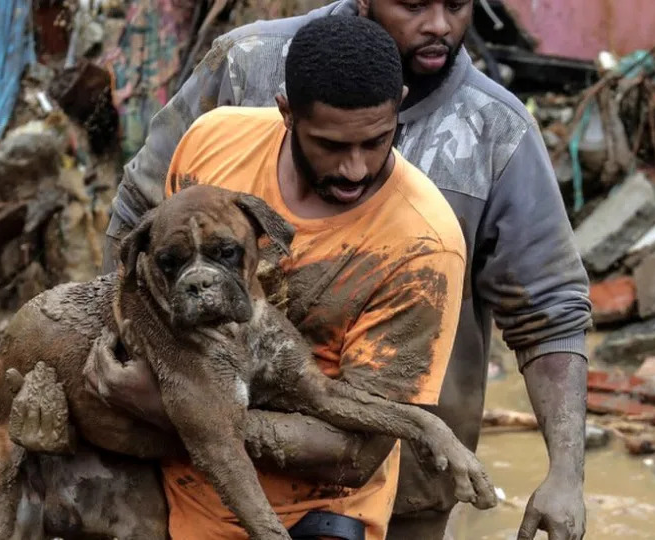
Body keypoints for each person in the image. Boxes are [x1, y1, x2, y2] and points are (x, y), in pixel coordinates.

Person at [96, 0, 592, 538]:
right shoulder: (243, 78)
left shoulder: (488, 143)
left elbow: (550, 310)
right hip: (186, 471)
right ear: (288, 112)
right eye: (414, 3)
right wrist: (137, 359)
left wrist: (566, 473)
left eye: (456, 4)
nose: (439, 25)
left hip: (379, 474)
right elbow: (139, 225)